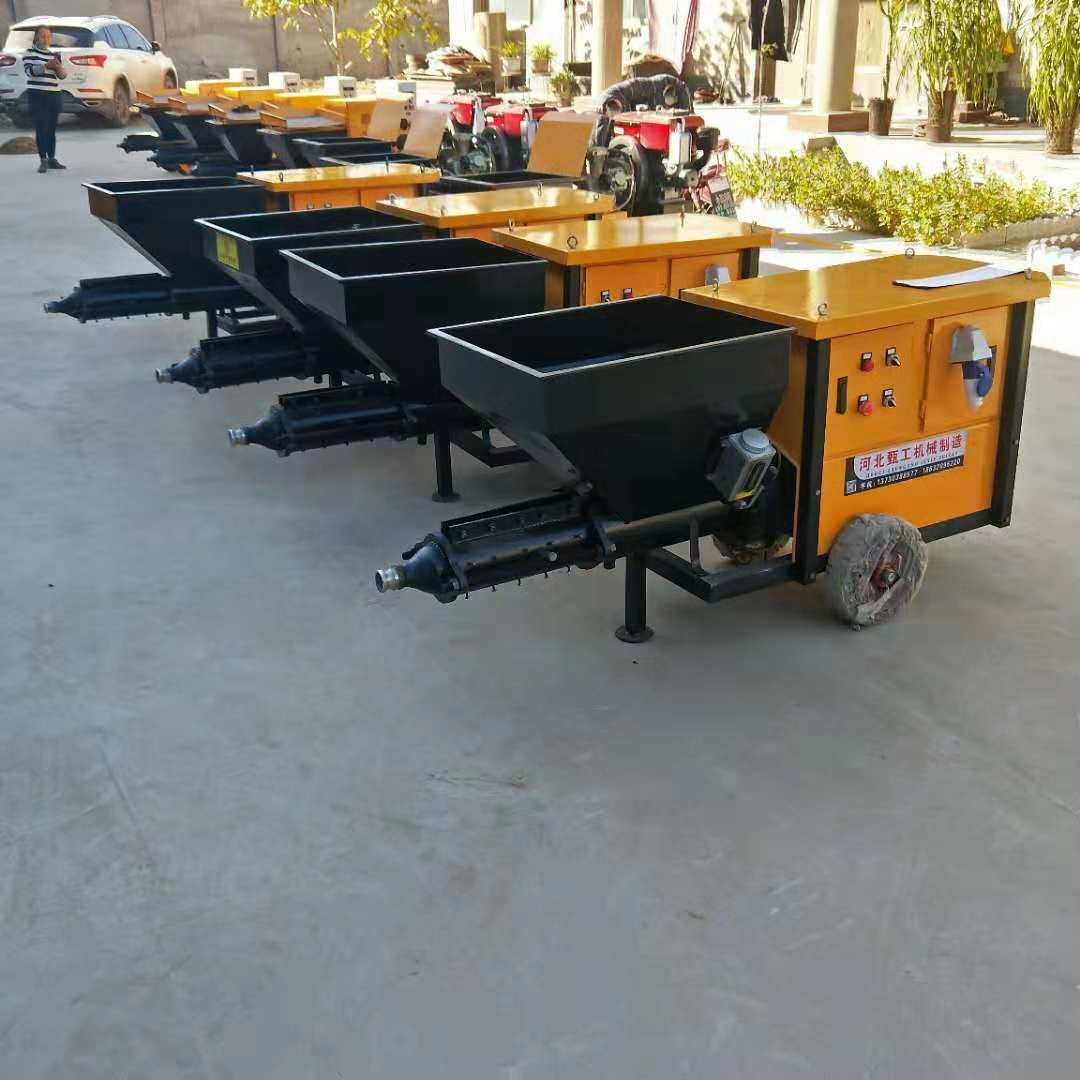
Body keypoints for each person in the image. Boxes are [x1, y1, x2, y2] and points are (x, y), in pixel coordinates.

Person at [23, 26, 67, 174]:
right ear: (36, 37)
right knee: (41, 127)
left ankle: (52, 158)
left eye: (48, 36)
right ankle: (43, 160)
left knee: (51, 129)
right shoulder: (29, 53)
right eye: (43, 36)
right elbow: (30, 72)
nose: (46, 39)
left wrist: (58, 67)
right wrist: (47, 66)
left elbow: (62, 76)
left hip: (54, 94)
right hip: (37, 95)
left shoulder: (54, 55)